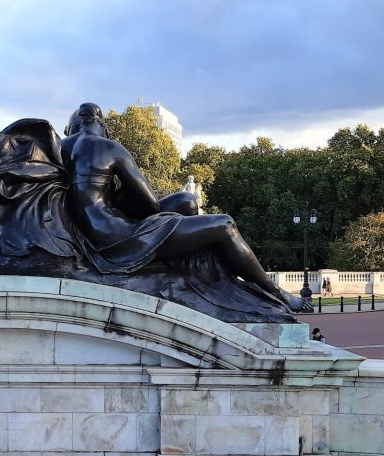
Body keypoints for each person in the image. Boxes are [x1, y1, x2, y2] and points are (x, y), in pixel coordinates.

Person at [60, 102, 308, 312]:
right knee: (225, 225)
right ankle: (277, 293)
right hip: (118, 239)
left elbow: (89, 196)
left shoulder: (62, 147)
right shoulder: (110, 147)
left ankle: (194, 274)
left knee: (187, 201)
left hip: (95, 231)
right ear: (102, 125)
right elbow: (151, 203)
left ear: (74, 127)